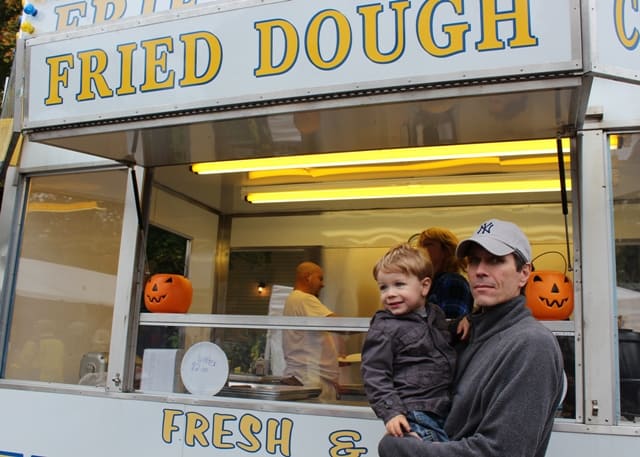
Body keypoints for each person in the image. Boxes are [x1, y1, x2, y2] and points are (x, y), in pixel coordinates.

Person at [379, 219, 565, 457]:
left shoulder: (531, 344)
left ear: (524, 273)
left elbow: (501, 452)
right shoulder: (464, 333)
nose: (480, 270)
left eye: (496, 260)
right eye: (474, 260)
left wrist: (401, 448)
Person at [361, 243, 457, 442]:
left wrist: (462, 324)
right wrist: (392, 413)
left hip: (443, 408)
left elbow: (444, 345)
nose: (390, 293)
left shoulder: (435, 314)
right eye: (383, 287)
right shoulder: (384, 327)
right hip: (413, 413)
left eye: (399, 284)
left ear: (424, 286)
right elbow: (375, 374)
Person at [282, 261, 339, 402]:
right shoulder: (304, 299)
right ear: (308, 277)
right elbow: (339, 325)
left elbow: (306, 340)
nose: (322, 284)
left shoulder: (293, 299)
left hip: (306, 375)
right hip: (310, 377)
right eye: (320, 278)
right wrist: (378, 324)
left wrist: (332, 359)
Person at [418, 227, 474, 319]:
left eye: (428, 244)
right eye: (420, 246)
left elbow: (450, 327)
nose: (421, 249)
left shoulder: (453, 281)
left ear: (446, 250)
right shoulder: (429, 283)